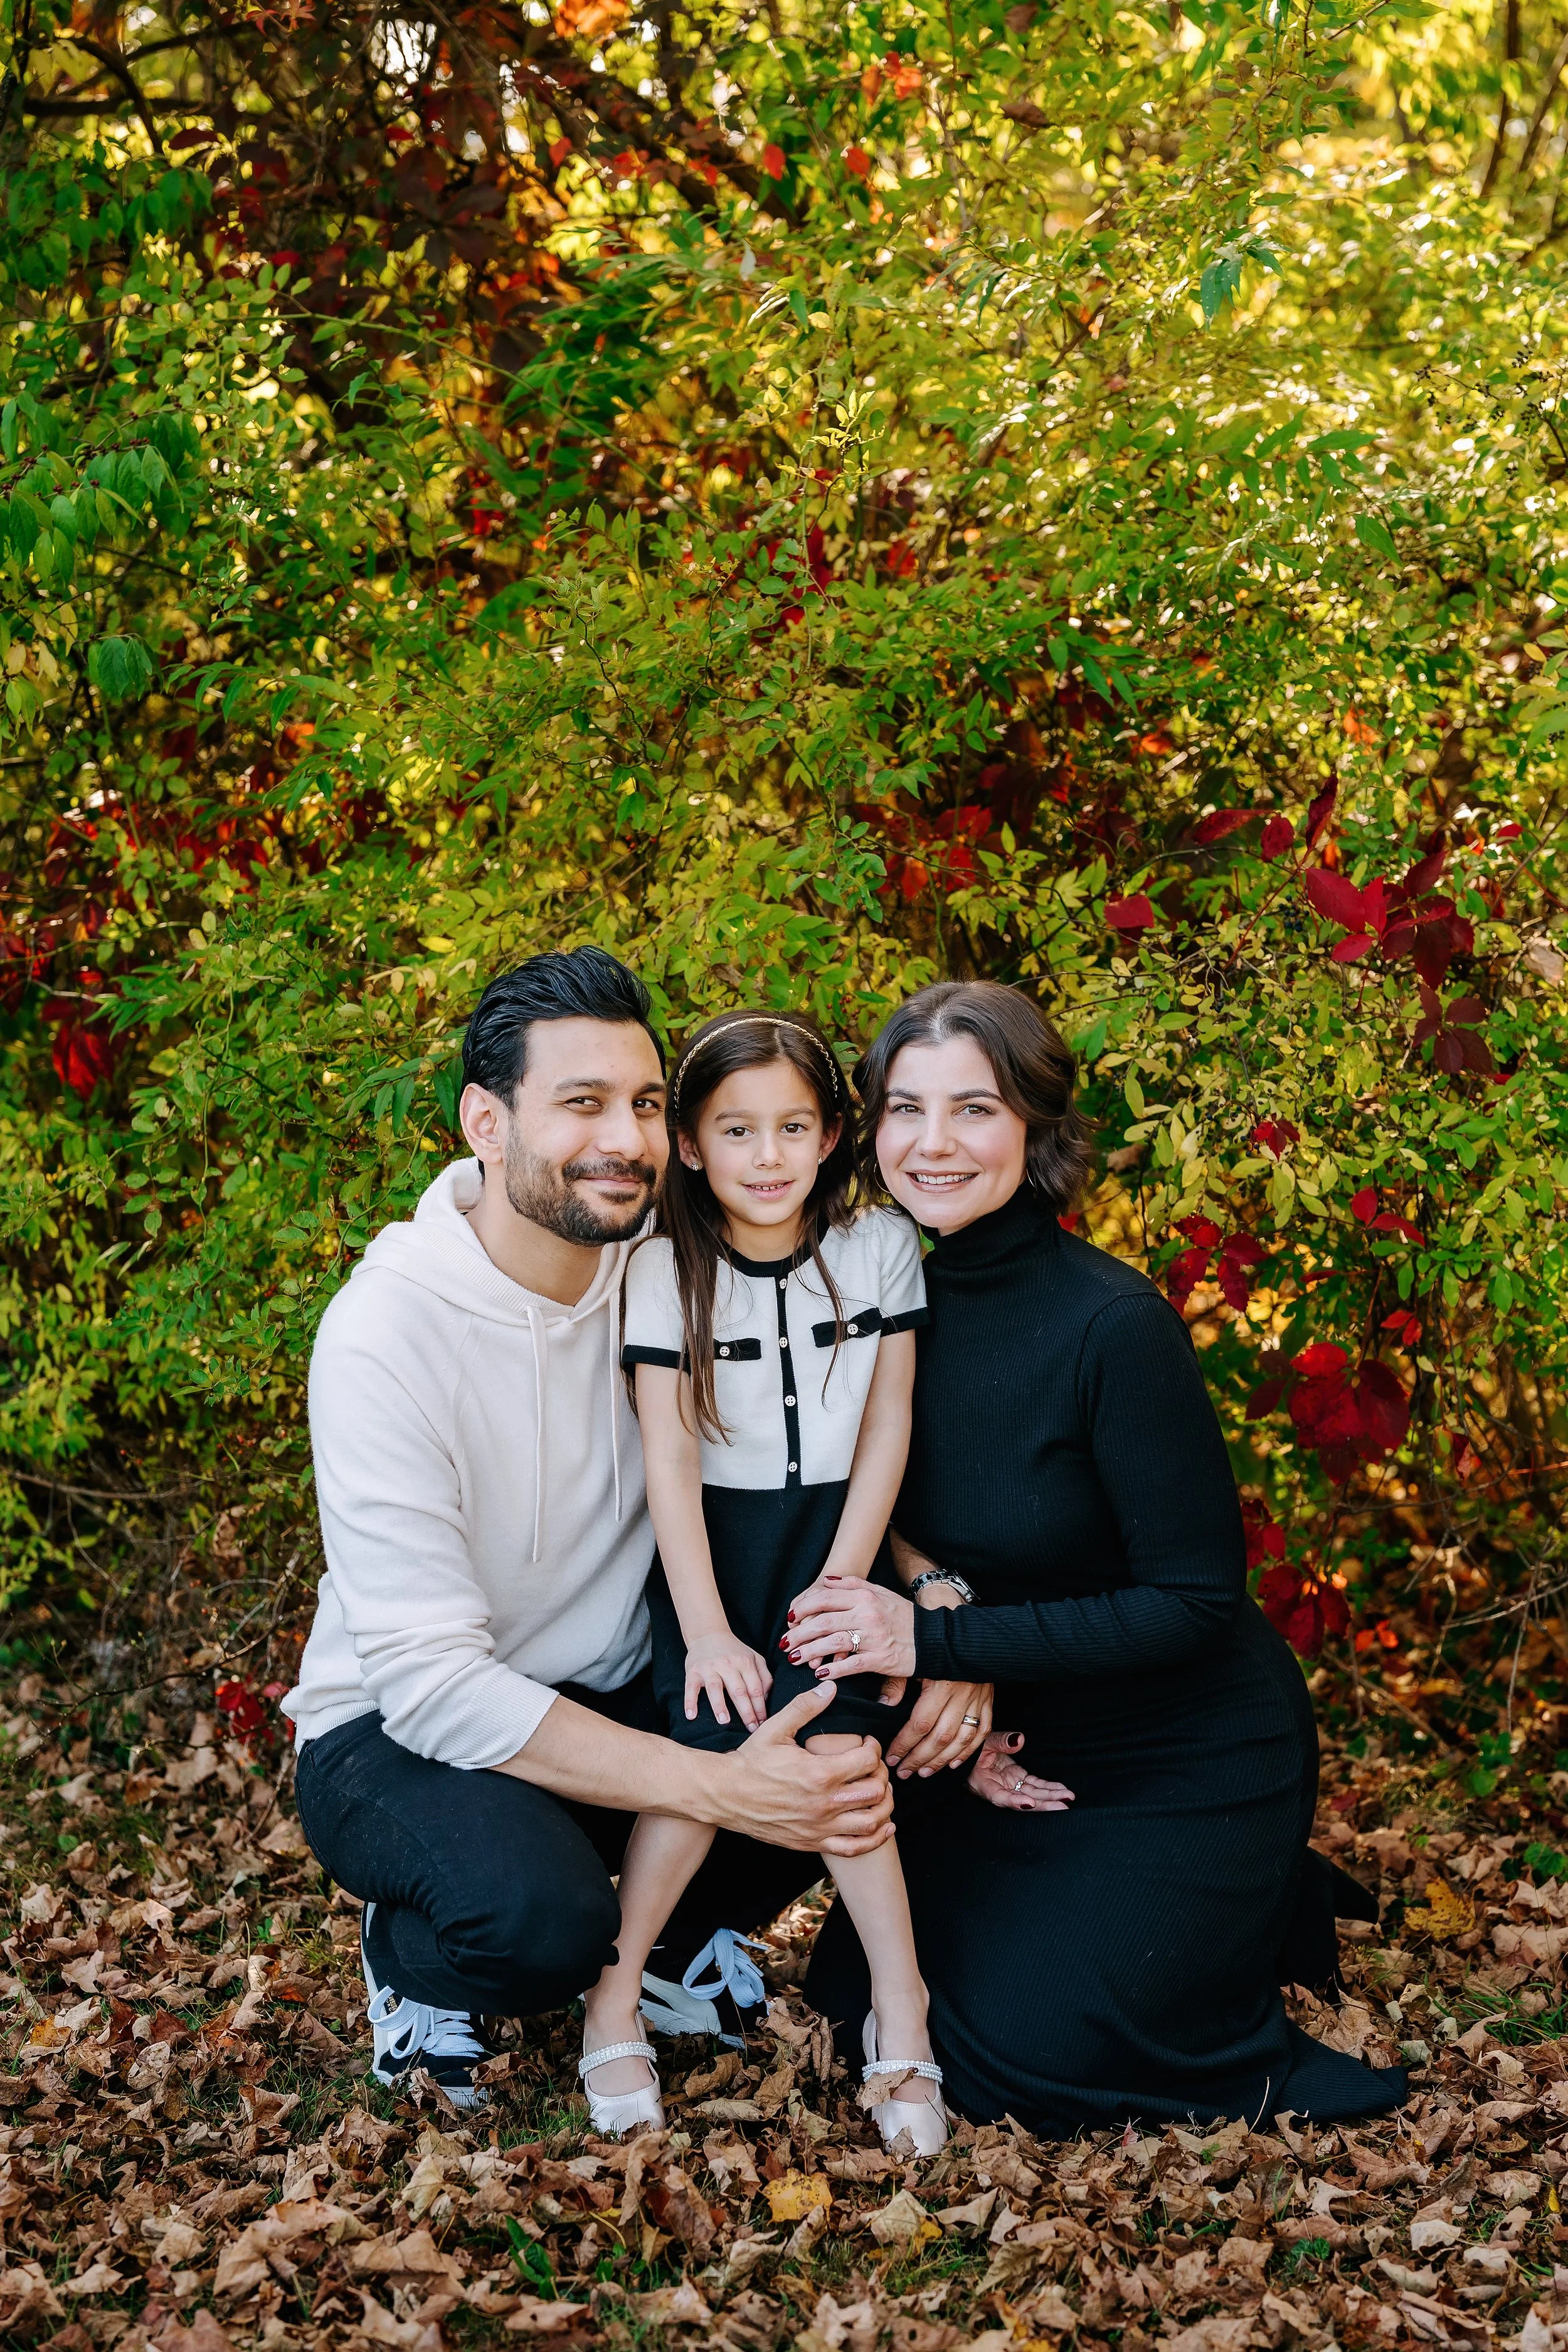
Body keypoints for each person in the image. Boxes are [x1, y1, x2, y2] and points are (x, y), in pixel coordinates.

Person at [788, 980, 1407, 2134]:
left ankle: (1248, 1887)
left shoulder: (1112, 1326)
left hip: (1183, 1739)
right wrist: (944, 1628)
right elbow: (850, 1506)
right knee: (848, 2000)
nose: (933, 1144)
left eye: (973, 1109)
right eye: (904, 1108)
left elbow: (1191, 1601)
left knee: (1032, 2060)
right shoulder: (861, 1291)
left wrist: (945, 1640)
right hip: (1009, 1733)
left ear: (1035, 1124)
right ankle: (1242, 1909)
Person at [284, 947, 896, 2109]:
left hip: (617, 1689)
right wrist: (712, 1788)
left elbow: (859, 1385)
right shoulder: (385, 1333)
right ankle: (413, 1956)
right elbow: (429, 1685)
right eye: (582, 1103)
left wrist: (942, 1609)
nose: (627, 1139)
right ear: (487, 1121)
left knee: (828, 1730)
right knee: (540, 1928)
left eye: (647, 1103)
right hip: (399, 1731)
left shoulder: (674, 1262)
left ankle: (664, 1947)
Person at [577, 1012, 959, 2148]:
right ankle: (615, 1990)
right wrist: (706, 1630)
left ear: (835, 1132)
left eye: (795, 1126)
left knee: (843, 1755)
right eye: (737, 1130)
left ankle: (906, 2013)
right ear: (690, 1146)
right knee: (703, 1752)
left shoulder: (879, 1247)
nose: (768, 1155)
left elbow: (888, 1424)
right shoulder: (659, 1266)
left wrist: (844, 1585)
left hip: (831, 1541)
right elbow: (669, 1459)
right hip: (714, 1561)